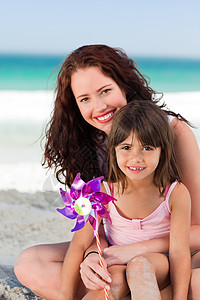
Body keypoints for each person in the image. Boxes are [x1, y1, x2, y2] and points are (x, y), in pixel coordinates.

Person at [14, 45, 200, 299]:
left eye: (105, 91)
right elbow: (93, 227)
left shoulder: (173, 133)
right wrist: (92, 255)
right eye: (85, 99)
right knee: (30, 264)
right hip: (116, 257)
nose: (99, 107)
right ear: (75, 105)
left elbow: (197, 229)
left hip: (175, 255)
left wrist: (135, 251)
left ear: (123, 85)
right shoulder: (82, 146)